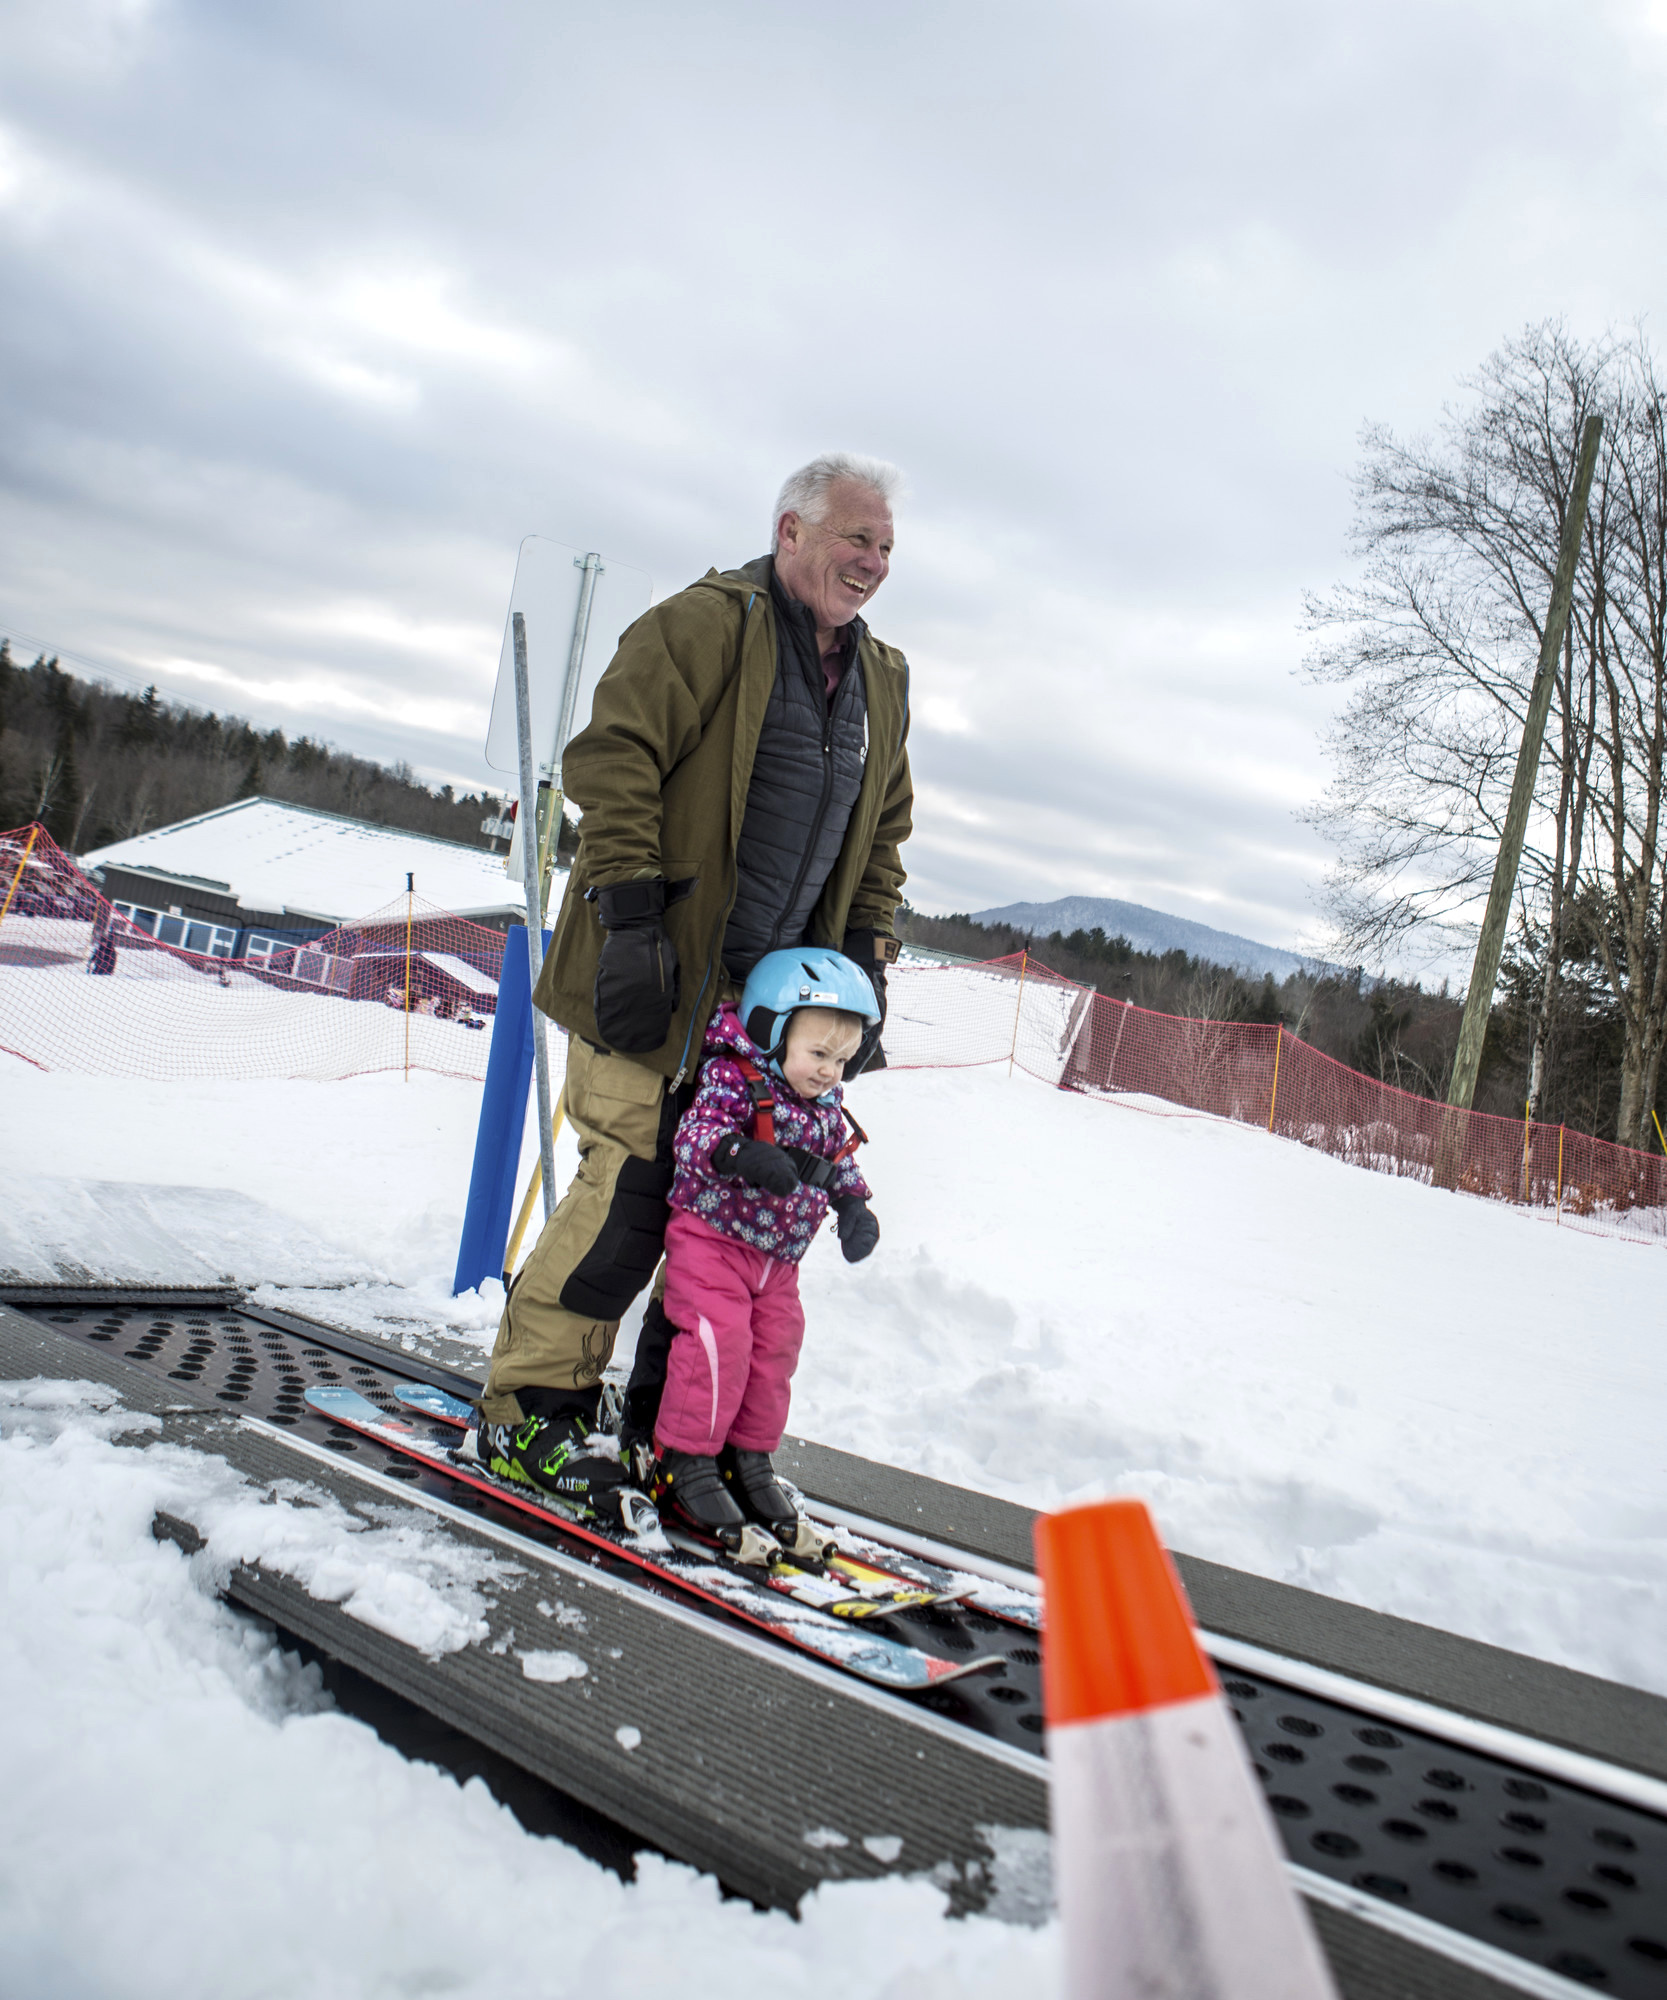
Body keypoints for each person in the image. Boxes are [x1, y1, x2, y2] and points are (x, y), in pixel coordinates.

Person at [472, 452, 912, 1521]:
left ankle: (674, 1434)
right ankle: (528, 1411)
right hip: (654, 973)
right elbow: (610, 757)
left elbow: (884, 831)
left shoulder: (880, 678)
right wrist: (626, 920)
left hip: (768, 1008)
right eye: (855, 538)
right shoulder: (706, 623)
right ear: (791, 531)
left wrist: (863, 966)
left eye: (886, 548)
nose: (871, 562)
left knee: (725, 1214)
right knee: (628, 1192)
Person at [648, 948, 881, 1559]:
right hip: (713, 1240)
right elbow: (696, 1134)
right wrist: (738, 1154)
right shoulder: (734, 1076)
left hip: (777, 1262)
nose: (830, 1072)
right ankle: (685, 1461)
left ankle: (746, 1458)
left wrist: (855, 1207)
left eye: (842, 1060)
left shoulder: (826, 1109)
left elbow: (840, 1165)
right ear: (770, 1033)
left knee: (775, 1352)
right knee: (716, 1345)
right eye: (818, 1054)